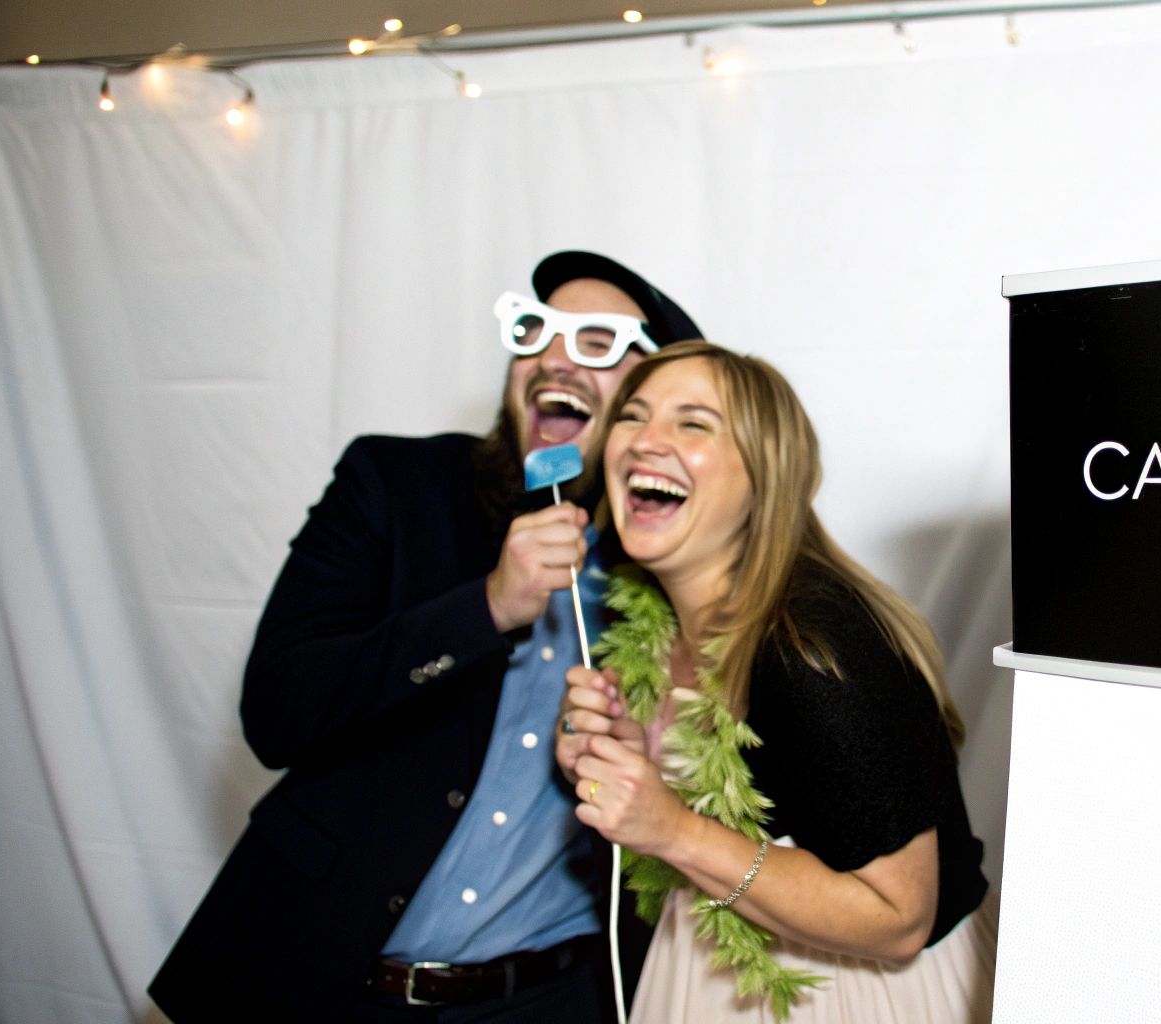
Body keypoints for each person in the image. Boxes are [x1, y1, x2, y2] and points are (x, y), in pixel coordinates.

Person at [148, 252, 703, 1022]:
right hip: (322, 980)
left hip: (545, 997)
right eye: (536, 330)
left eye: (598, 344)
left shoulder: (668, 566)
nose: (553, 358)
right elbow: (277, 712)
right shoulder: (397, 484)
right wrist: (486, 606)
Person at [555, 341, 997, 1022]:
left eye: (693, 423)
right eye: (633, 416)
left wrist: (670, 830)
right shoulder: (646, 620)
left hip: (846, 991)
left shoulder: (816, 649)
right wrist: (611, 753)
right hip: (705, 963)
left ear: (766, 475)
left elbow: (900, 918)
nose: (647, 441)